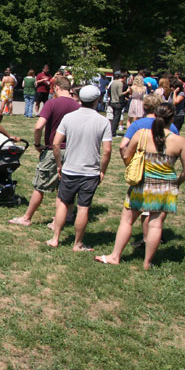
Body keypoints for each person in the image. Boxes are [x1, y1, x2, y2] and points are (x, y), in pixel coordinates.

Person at [96, 104, 185, 269]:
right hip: (166, 186)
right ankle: (147, 263)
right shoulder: (180, 141)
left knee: (127, 221)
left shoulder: (142, 135)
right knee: (156, 224)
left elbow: (127, 154)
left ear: (155, 115)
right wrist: (177, 183)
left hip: (142, 183)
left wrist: (131, 167)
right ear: (172, 119)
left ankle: (115, 256)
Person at [46, 86, 112, 251]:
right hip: (90, 172)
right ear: (96, 100)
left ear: (80, 99)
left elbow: (55, 143)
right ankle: (78, 244)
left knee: (63, 203)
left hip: (69, 169)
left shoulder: (69, 118)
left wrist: (60, 164)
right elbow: (107, 150)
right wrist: (102, 170)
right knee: (83, 207)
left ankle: (55, 238)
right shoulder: (103, 121)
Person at [9, 76, 79, 227]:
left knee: (40, 186)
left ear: (57, 88)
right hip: (72, 151)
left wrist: (37, 143)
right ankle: (65, 216)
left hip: (54, 150)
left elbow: (38, 127)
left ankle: (27, 217)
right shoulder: (77, 106)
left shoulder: (52, 103)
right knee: (65, 186)